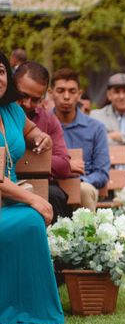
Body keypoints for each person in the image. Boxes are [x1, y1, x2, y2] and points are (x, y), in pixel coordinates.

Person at [0, 51, 64, 324]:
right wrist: (35, 200)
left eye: (0, 71)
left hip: (10, 196)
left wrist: (41, 138)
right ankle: (14, 306)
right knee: (31, 217)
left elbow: (31, 132)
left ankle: (31, 307)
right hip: (8, 194)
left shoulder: (11, 109)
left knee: (30, 219)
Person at [14, 61, 72, 221]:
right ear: (12, 86)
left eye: (35, 99)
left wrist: (39, 156)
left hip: (41, 186)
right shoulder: (6, 112)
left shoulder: (49, 120)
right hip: (8, 183)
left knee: (54, 196)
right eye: (23, 95)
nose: (27, 104)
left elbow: (64, 165)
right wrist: (35, 158)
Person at [51, 68, 110, 211]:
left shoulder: (96, 128)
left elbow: (102, 173)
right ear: (50, 93)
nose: (66, 96)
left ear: (79, 94)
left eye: (72, 91)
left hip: (85, 185)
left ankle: (89, 233)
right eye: (60, 91)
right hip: (52, 185)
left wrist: (81, 181)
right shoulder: (40, 124)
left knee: (82, 190)